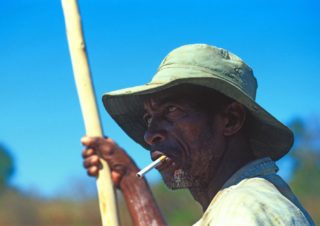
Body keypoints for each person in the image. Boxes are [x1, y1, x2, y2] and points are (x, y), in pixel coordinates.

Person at [81, 44, 314, 225]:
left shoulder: (244, 211)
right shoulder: (239, 205)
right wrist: (132, 183)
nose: (149, 135)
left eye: (172, 110)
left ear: (231, 119)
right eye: (148, 118)